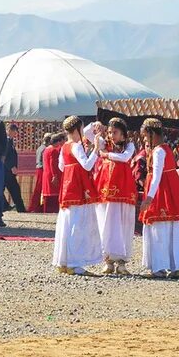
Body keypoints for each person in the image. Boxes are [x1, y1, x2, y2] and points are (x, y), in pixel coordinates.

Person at [139, 118, 179, 278]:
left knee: (160, 229)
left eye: (145, 136)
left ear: (152, 134)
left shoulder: (159, 151)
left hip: (161, 193)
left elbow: (157, 176)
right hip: (169, 192)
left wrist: (149, 198)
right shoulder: (164, 149)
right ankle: (175, 266)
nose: (145, 140)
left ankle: (159, 268)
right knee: (172, 228)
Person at [52, 116, 102, 276]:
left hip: (67, 186)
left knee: (67, 223)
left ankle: (64, 261)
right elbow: (87, 165)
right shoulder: (76, 146)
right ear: (77, 130)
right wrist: (96, 150)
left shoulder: (64, 146)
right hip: (78, 186)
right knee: (78, 224)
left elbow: (61, 167)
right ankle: (75, 263)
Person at [95, 118, 137, 274]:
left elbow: (125, 158)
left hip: (124, 189)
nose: (112, 135)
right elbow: (86, 133)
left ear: (123, 135)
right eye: (110, 132)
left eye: (115, 132)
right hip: (105, 189)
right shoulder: (103, 143)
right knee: (106, 223)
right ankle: (108, 260)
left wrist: (106, 155)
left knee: (124, 223)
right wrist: (96, 125)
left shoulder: (129, 146)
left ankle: (122, 262)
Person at [40, 132, 66, 213]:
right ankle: (52, 211)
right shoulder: (53, 150)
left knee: (48, 194)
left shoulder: (46, 149)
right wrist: (55, 175)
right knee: (53, 194)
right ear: (58, 142)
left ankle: (47, 211)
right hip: (52, 174)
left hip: (46, 174)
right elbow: (53, 164)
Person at [3, 123, 26, 213]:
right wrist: (11, 166)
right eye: (15, 131)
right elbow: (5, 156)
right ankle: (20, 208)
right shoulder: (7, 141)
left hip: (8, 170)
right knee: (14, 189)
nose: (16, 134)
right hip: (7, 170)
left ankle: (18, 208)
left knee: (9, 189)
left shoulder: (10, 141)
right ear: (10, 131)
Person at [29, 133, 51, 213]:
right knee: (41, 189)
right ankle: (36, 207)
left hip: (38, 168)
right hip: (42, 169)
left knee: (38, 188)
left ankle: (35, 207)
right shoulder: (45, 149)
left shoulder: (39, 148)